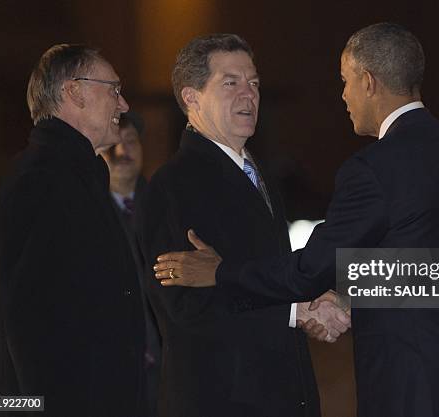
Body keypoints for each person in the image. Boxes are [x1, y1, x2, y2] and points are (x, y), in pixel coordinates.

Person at [152, 23, 439, 417]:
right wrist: (341, 297)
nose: (343, 95)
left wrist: (222, 273)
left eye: (345, 81)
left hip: (411, 387)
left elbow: (309, 270)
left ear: (368, 81)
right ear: (191, 97)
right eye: (232, 83)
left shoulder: (373, 168)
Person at [137, 33, 350, 417]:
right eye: (230, 82)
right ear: (191, 97)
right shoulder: (172, 187)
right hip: (222, 401)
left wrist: (315, 299)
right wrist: (294, 313)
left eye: (253, 83)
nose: (248, 94)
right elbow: (185, 309)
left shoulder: (259, 173)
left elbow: (268, 275)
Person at [0, 44, 146, 416]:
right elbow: (28, 326)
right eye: (113, 90)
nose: (123, 105)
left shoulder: (73, 177)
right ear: (74, 92)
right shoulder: (43, 181)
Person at [101, 110, 161, 417]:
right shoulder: (85, 219)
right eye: (115, 143)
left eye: (131, 140)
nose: (123, 150)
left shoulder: (167, 208)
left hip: (169, 370)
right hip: (110, 373)